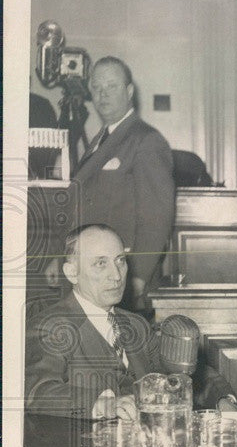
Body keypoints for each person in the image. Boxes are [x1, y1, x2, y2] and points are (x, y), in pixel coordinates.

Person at [25, 224, 237, 419]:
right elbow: (36, 391)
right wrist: (102, 405)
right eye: (101, 263)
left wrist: (222, 398)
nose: (116, 275)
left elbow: (179, 373)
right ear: (72, 273)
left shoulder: (136, 325)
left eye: (120, 260)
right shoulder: (50, 326)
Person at [44, 56, 176, 310]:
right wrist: (59, 257)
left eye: (111, 86)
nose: (102, 94)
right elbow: (78, 202)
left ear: (129, 91)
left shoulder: (146, 140)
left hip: (118, 274)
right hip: (88, 271)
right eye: (96, 87)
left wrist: (138, 276)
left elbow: (157, 217)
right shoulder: (100, 139)